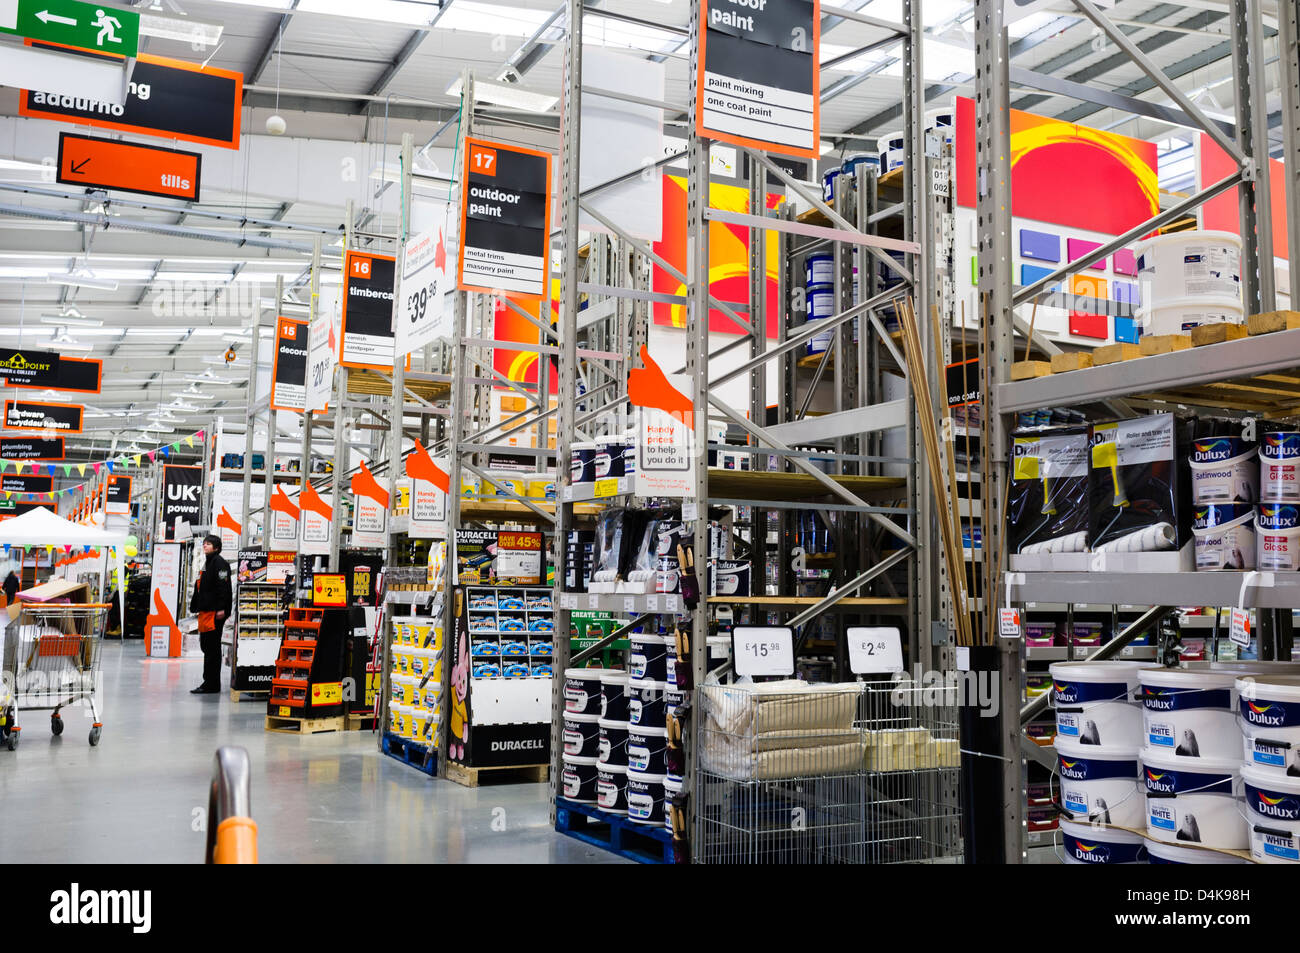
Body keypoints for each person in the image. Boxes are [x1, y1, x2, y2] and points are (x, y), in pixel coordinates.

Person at [190, 534, 232, 695]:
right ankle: (210, 682)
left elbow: (224, 587)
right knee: (206, 646)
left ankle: (211, 683)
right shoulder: (207, 562)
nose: (205, 546)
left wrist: (222, 608)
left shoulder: (219, 563)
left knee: (211, 648)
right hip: (206, 611)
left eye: (208, 544)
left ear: (216, 548)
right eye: (205, 543)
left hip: (215, 613)